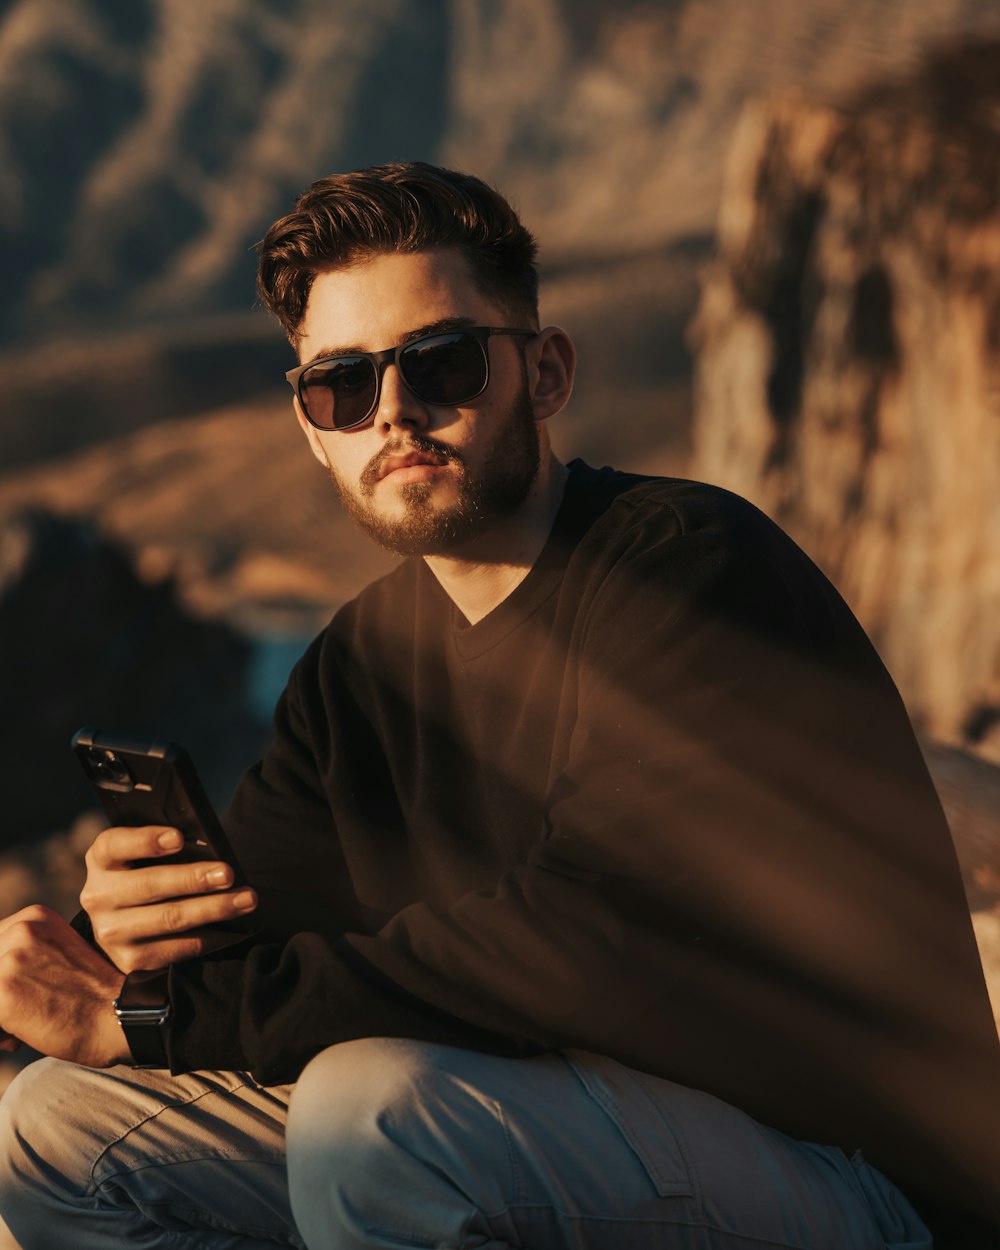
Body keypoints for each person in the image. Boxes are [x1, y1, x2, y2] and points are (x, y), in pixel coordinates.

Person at [0, 162, 996, 1250]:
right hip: (566, 1145)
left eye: (443, 361)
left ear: (547, 371)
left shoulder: (689, 570)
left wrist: (156, 1018)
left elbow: (587, 936)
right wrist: (137, 939)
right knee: (54, 1126)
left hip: (850, 1176)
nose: (395, 412)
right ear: (310, 425)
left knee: (372, 1112)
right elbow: (267, 943)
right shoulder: (359, 665)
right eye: (340, 384)